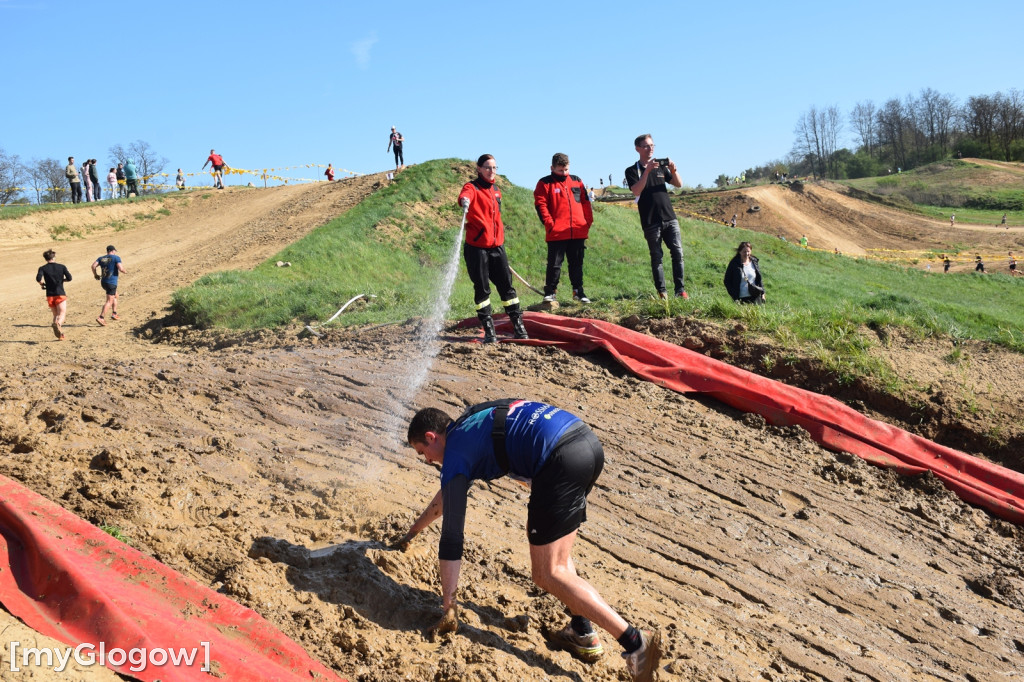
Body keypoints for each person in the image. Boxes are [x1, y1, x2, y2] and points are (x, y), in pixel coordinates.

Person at [398, 400, 662, 682]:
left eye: (423, 452)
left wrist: (448, 604)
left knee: (547, 572)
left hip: (558, 460)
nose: (427, 460)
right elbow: (446, 498)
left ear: (431, 437)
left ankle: (635, 643)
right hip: (584, 442)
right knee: (556, 554)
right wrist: (413, 532)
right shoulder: (471, 422)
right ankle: (581, 631)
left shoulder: (456, 454)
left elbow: (452, 536)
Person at [457, 155, 529, 342]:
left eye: (495, 167)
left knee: (508, 289)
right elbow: (465, 195)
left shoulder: (496, 190)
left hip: (497, 247)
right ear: (479, 169)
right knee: (482, 290)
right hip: (477, 249)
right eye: (488, 167)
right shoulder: (472, 187)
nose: (492, 171)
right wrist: (465, 201)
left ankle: (519, 327)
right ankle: (489, 331)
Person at [625, 134, 687, 299]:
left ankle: (680, 291)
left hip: (669, 217)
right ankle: (662, 292)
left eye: (652, 145)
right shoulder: (632, 170)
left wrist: (673, 170)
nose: (650, 148)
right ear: (637, 148)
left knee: (678, 253)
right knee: (657, 256)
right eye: (646, 146)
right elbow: (636, 190)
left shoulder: (660, 166)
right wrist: (647, 171)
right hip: (651, 220)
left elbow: (678, 184)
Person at [534, 153, 594, 304]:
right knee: (554, 264)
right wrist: (550, 224)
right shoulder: (544, 183)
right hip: (557, 232)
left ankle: (578, 292)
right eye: (560, 170)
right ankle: (550, 292)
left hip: (578, 230)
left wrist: (587, 222)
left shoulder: (576, 181)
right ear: (552, 168)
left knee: (577, 264)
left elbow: (586, 202)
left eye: (566, 170)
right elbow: (541, 205)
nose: (564, 173)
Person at [36, 249, 72, 340]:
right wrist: (62, 280)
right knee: (62, 313)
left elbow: (38, 278)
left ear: (46, 258)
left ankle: (60, 335)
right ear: (54, 257)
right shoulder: (62, 267)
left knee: (55, 314)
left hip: (49, 295)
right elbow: (69, 278)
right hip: (60, 293)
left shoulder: (42, 268)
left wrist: (42, 284)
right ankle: (58, 324)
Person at [91, 245, 127, 326]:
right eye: (115, 251)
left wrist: (95, 274)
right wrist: (125, 271)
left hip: (104, 282)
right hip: (111, 282)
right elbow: (120, 268)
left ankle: (114, 313)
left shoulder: (101, 258)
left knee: (115, 295)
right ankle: (101, 317)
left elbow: (93, 266)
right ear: (113, 250)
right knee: (109, 301)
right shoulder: (116, 258)